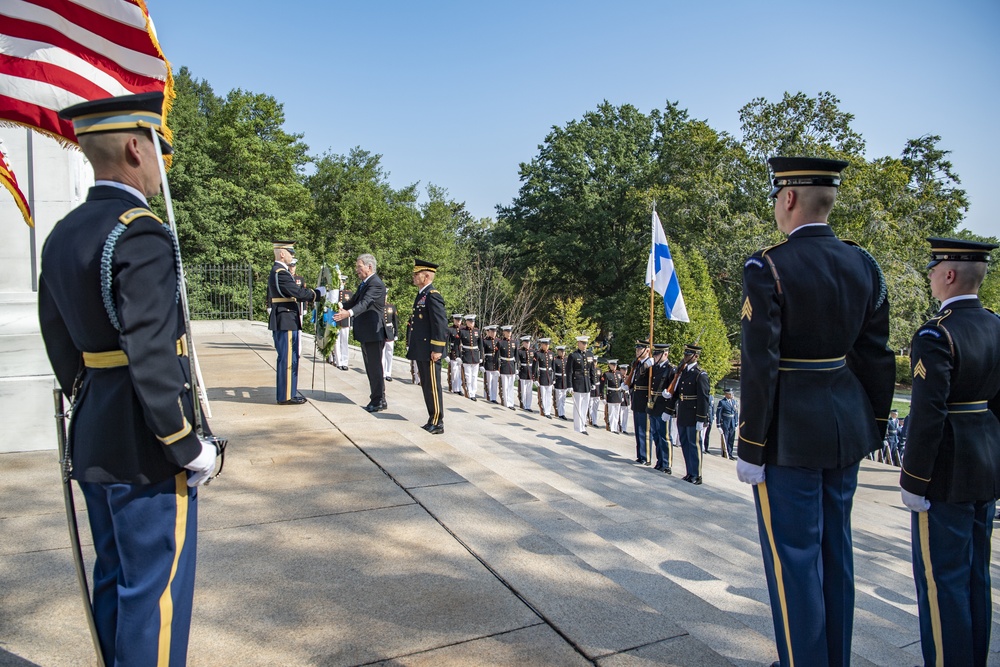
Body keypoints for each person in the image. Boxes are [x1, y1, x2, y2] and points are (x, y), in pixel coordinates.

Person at [38, 92, 221, 665]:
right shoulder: (141, 232)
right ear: (137, 148)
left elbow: (59, 341)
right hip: (146, 446)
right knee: (154, 597)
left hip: (95, 432)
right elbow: (150, 352)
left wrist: (93, 398)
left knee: (116, 577)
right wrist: (184, 443)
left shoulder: (64, 231)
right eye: (159, 151)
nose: (161, 165)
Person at [737, 157, 895, 667]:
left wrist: (750, 444)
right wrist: (870, 426)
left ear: (787, 199)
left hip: (788, 433)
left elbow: (760, 365)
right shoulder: (863, 263)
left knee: (796, 563)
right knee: (836, 556)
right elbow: (876, 356)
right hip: (844, 426)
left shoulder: (767, 266)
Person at [899, 237, 1000, 667]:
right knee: (976, 576)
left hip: (945, 472)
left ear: (950, 274)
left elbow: (927, 415)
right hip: (986, 464)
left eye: (933, 267)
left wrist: (914, 479)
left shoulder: (936, 333)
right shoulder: (996, 325)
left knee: (943, 583)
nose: (930, 275)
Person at [268, 241, 322, 404]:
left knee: (289, 357)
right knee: (288, 358)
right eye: (290, 252)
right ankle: (286, 396)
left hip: (285, 317)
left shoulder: (279, 271)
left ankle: (289, 392)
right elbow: (296, 292)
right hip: (286, 319)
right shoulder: (281, 272)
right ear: (282, 253)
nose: (293, 255)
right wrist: (316, 294)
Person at [334, 254, 387, 413]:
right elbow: (354, 301)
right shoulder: (364, 283)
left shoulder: (375, 284)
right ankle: (379, 398)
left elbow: (364, 304)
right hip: (366, 332)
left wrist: (348, 314)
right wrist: (339, 305)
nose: (357, 270)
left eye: (359, 267)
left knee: (374, 367)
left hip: (373, 331)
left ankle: (378, 400)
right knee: (371, 367)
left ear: (369, 267)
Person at [406, 259, 448, 434]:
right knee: (426, 385)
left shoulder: (433, 295)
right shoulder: (422, 294)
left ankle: (438, 421)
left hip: (431, 350)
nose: (414, 277)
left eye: (417, 274)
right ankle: (432, 418)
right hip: (422, 349)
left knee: (433, 386)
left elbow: (440, 324)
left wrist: (437, 349)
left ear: (427, 276)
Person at [671, 344, 710, 484]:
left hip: (694, 414)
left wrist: (701, 418)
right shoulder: (684, 372)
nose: (685, 357)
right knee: (685, 443)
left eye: (689, 355)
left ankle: (697, 475)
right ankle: (689, 472)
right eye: (685, 354)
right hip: (683, 412)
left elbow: (703, 398)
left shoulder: (700, 374)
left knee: (694, 445)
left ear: (696, 356)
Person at [649, 344, 674, 473]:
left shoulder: (671, 370)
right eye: (655, 354)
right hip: (653, 405)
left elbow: (673, 392)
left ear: (665, 354)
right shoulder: (653, 368)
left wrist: (669, 410)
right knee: (656, 435)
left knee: (665, 436)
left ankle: (666, 464)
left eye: (658, 354)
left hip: (663, 406)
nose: (655, 356)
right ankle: (659, 461)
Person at [628, 340, 654, 463]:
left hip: (645, 400)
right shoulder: (638, 364)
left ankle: (646, 456)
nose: (637, 351)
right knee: (638, 429)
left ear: (647, 350)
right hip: (637, 399)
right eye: (637, 349)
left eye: (640, 349)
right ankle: (640, 454)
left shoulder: (650, 365)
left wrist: (649, 365)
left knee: (645, 430)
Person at [567, 336, 596, 434]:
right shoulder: (573, 355)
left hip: (586, 383)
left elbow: (592, 370)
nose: (585, 345)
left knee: (585, 406)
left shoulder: (590, 354)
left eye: (586, 343)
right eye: (583, 343)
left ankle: (583, 425)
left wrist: (593, 382)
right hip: (577, 383)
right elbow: (569, 371)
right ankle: (578, 427)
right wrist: (570, 385)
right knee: (578, 407)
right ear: (578, 343)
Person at [459, 314, 483, 400]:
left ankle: (474, 392)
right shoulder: (462, 331)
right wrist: (459, 356)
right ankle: (469, 391)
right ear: (467, 322)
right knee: (468, 376)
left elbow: (480, 345)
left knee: (474, 376)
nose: (472, 323)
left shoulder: (477, 331)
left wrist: (481, 357)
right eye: (470, 322)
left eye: (473, 321)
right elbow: (457, 344)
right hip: (466, 355)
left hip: (475, 355)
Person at [600, 360, 625, 433]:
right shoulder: (607, 374)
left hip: (618, 394)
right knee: (611, 412)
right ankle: (612, 427)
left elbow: (622, 385)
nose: (614, 367)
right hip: (611, 394)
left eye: (615, 365)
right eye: (612, 365)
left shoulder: (619, 373)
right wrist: (602, 396)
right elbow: (602, 386)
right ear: (609, 365)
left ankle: (615, 426)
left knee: (617, 412)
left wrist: (622, 395)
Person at [534, 338, 556, 418]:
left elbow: (553, 367)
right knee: (543, 395)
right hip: (542, 376)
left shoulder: (551, 354)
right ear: (542, 345)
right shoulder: (538, 354)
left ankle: (548, 411)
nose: (547, 346)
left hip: (549, 376)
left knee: (549, 395)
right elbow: (535, 367)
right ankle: (543, 410)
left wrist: (554, 379)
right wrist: (535, 378)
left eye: (548, 345)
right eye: (545, 345)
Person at [497, 325, 518, 409]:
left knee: (511, 386)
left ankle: (511, 403)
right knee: (505, 386)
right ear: (504, 332)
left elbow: (516, 357)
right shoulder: (501, 342)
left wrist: (517, 368)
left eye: (510, 332)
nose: (509, 333)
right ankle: (506, 403)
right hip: (504, 365)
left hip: (512, 366)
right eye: (507, 332)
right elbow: (497, 356)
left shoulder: (515, 342)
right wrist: (497, 367)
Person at [715, 389, 739, 460]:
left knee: (731, 438)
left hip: (732, 421)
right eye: (730, 394)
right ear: (726, 394)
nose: (732, 395)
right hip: (725, 421)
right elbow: (718, 414)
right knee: (725, 437)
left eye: (732, 394)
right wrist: (718, 424)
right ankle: (725, 453)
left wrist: (736, 423)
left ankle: (730, 453)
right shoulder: (722, 402)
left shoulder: (734, 402)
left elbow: (736, 413)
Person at [481, 325, 501, 403]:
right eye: (492, 332)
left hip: (495, 363)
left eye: (495, 332)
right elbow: (482, 353)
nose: (493, 333)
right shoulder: (485, 340)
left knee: (495, 382)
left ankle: (493, 397)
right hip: (488, 362)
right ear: (489, 332)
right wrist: (482, 364)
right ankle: (487, 395)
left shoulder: (498, 341)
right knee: (488, 381)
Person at [382, 291, 399, 382]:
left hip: (389, 331)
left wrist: (396, 333)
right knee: (382, 353)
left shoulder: (391, 307)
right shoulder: (379, 306)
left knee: (389, 353)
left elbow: (395, 321)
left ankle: (388, 372)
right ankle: (382, 372)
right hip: (381, 331)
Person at [517, 335, 535, 411]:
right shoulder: (520, 351)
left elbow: (535, 363)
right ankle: (524, 404)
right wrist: (517, 372)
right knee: (523, 390)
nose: (528, 344)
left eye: (528, 342)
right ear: (523, 343)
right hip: (523, 372)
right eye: (526, 343)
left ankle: (528, 405)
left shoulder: (533, 351)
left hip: (530, 372)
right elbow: (517, 362)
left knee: (529, 391)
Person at [552, 345, 570, 420]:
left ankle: (562, 412)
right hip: (558, 381)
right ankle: (560, 413)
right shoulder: (555, 360)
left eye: (564, 351)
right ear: (558, 352)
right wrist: (553, 380)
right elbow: (553, 371)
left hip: (565, 381)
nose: (563, 353)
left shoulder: (566, 360)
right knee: (559, 398)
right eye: (561, 351)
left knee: (563, 398)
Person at [448, 313, 464, 394]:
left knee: (461, 371)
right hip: (453, 351)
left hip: (462, 352)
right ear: (454, 320)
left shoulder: (463, 329)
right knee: (454, 371)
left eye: (460, 320)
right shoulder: (450, 329)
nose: (458, 322)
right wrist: (447, 354)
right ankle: (455, 388)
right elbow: (447, 342)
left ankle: (459, 388)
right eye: (457, 320)